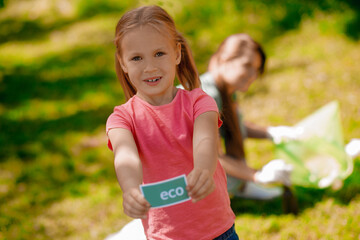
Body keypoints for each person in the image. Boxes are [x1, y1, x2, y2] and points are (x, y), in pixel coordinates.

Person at [106, 5, 238, 240]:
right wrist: (130, 190)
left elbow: (205, 140)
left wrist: (203, 170)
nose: (150, 67)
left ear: (177, 53)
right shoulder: (121, 119)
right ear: (123, 63)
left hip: (218, 231)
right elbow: (125, 156)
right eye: (136, 58)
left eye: (159, 53)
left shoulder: (200, 101)